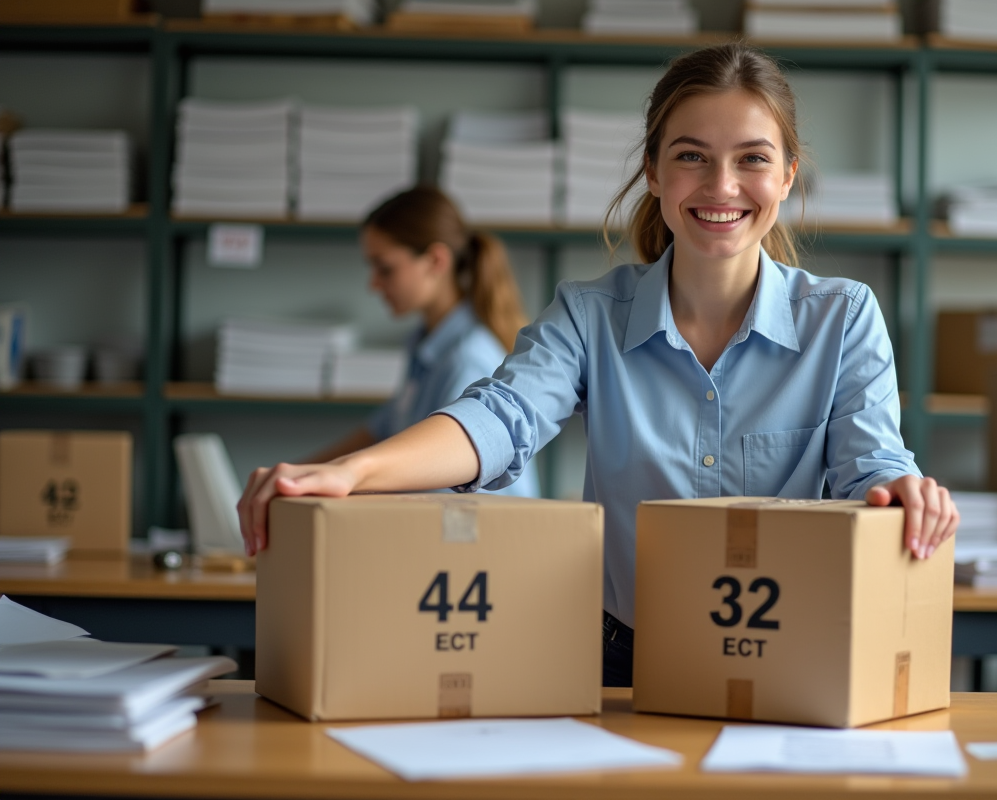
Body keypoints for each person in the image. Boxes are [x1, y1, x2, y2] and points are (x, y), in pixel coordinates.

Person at [239, 43, 958, 688]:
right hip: (619, 659)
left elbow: (873, 467)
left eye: (753, 158)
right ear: (652, 169)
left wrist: (904, 489)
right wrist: (352, 474)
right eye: (690, 155)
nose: (721, 185)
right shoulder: (589, 316)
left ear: (789, 175)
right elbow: (498, 417)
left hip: (785, 652)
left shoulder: (843, 316)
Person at [305, 185, 540, 497]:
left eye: (385, 268)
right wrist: (301, 475)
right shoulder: (425, 345)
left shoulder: (467, 361)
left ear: (435, 261)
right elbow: (382, 430)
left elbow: (446, 492)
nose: (373, 284)